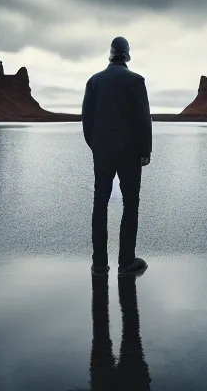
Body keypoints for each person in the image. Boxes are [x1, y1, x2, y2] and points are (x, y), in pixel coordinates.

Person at [82, 36, 152, 277]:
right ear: (127, 55)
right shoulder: (136, 81)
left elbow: (87, 122)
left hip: (102, 153)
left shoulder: (94, 82)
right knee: (130, 205)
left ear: (110, 55)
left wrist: (96, 146)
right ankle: (126, 263)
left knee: (100, 204)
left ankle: (99, 264)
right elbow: (144, 119)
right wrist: (145, 150)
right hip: (131, 155)